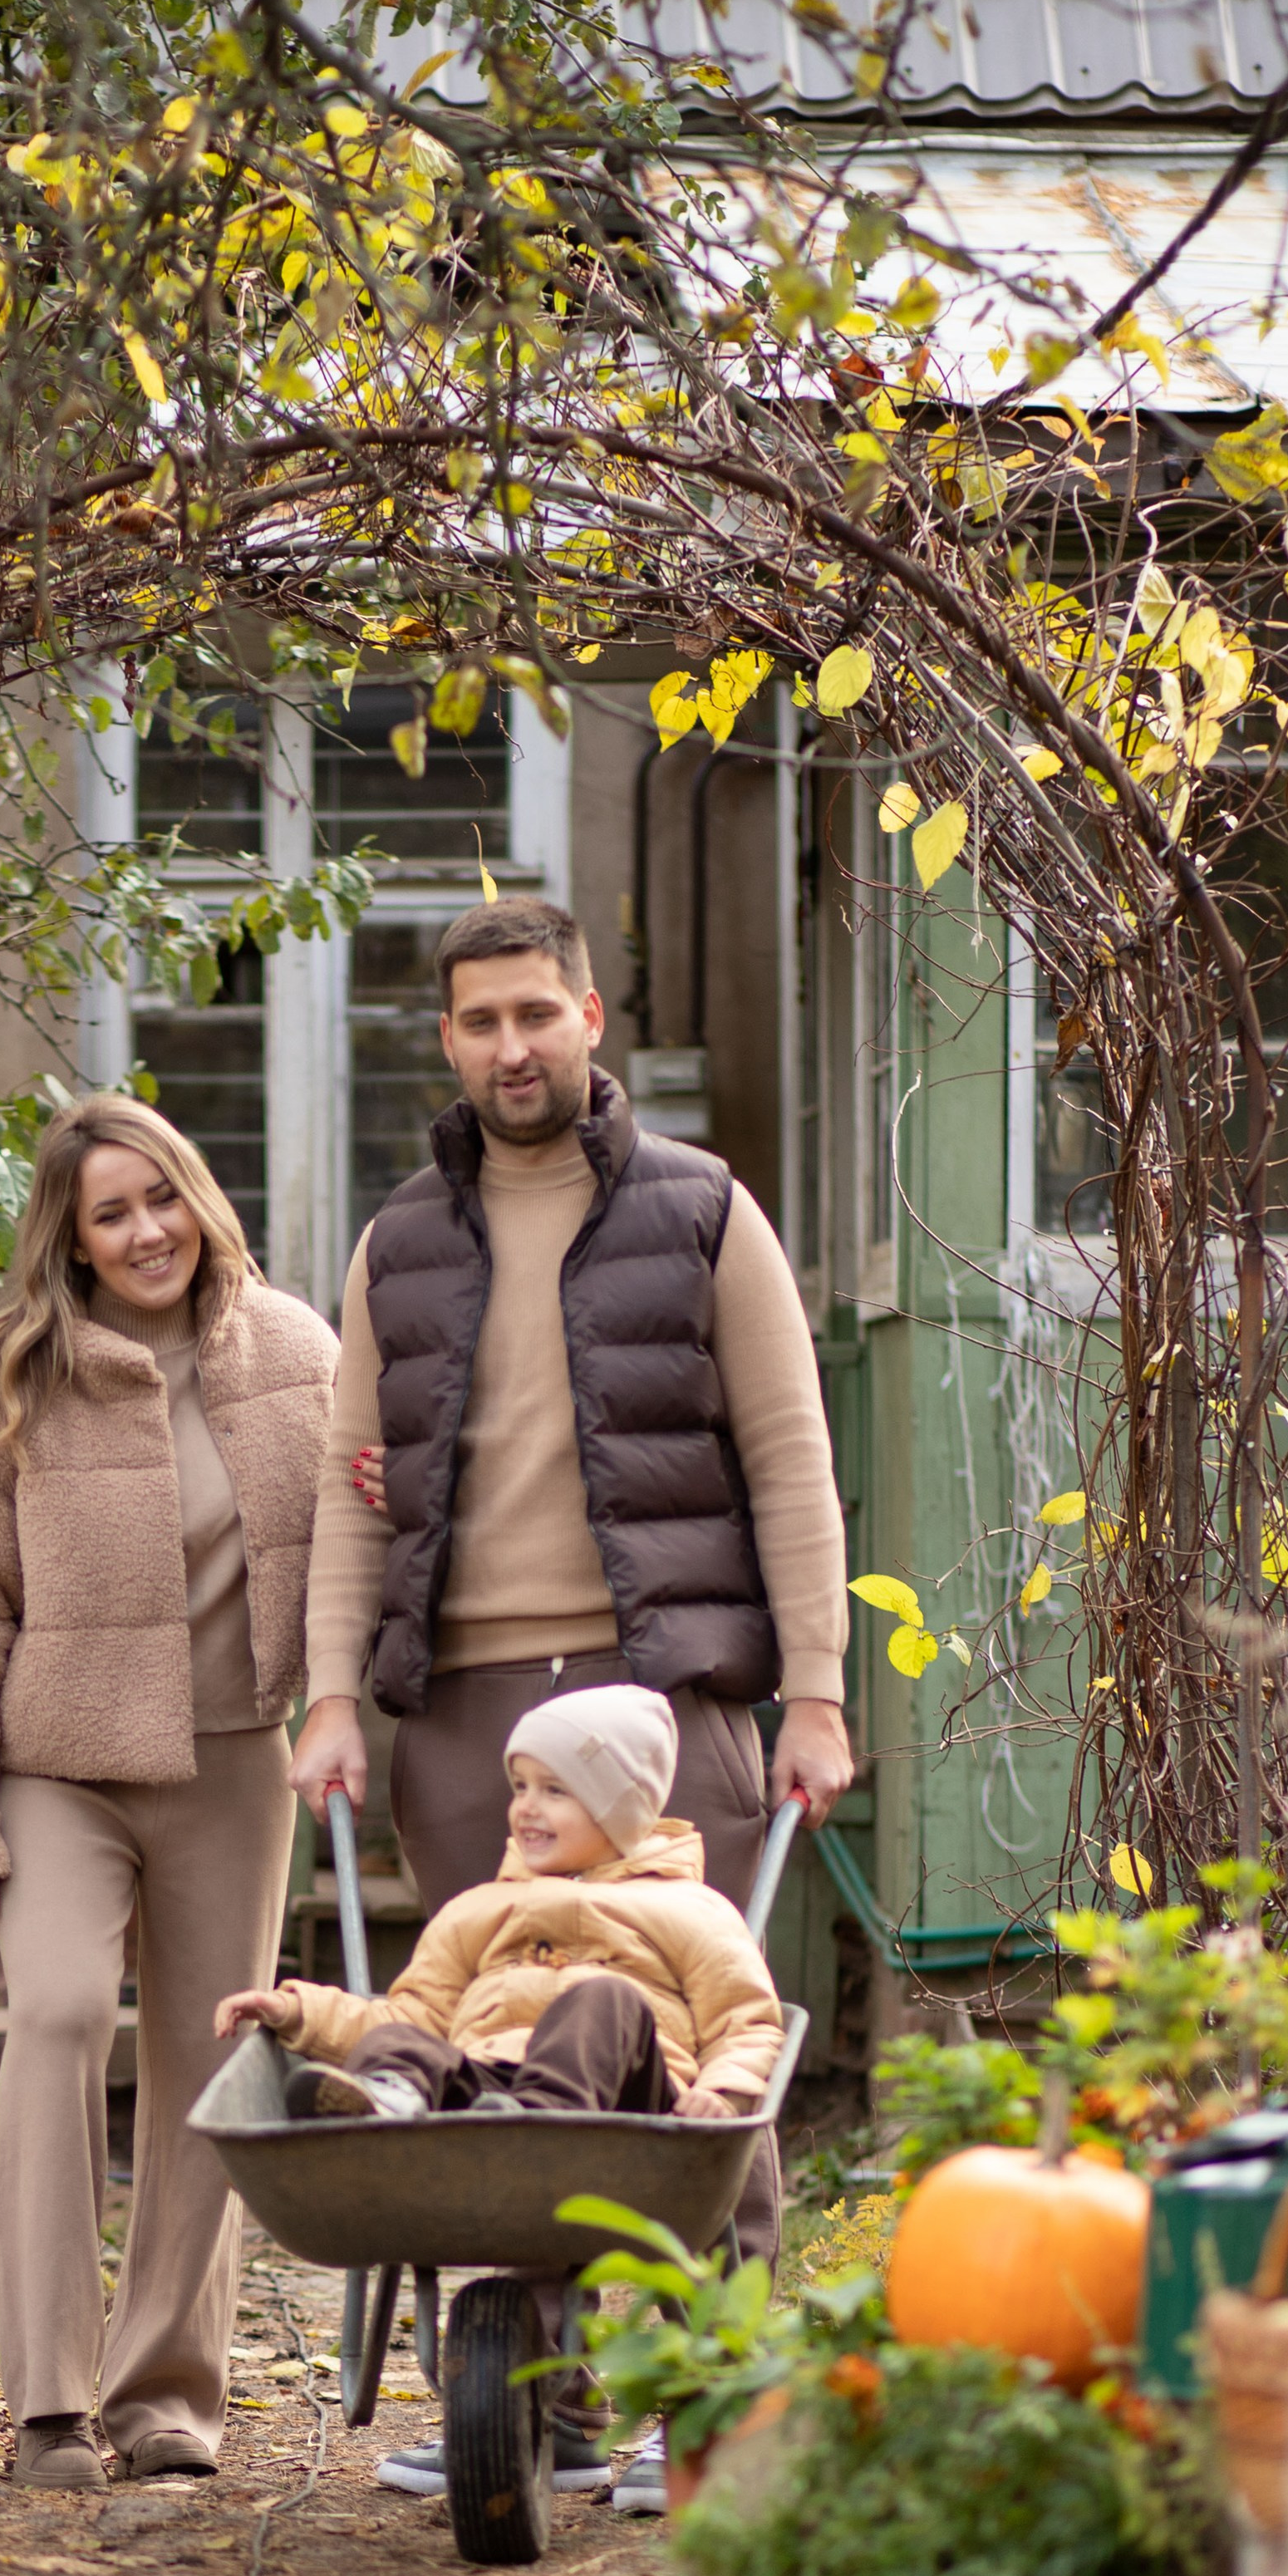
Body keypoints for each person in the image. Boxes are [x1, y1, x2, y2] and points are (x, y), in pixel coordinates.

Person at [291, 893, 850, 2277]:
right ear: (448, 1042)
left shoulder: (703, 1208)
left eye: (536, 1012)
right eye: (480, 1023)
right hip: (466, 1719)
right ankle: (536, 2400)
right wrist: (329, 1701)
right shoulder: (398, 1245)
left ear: (589, 1019)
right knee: (492, 2049)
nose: (511, 1046)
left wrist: (818, 1694)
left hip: (659, 1704)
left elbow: (789, 1462)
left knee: (696, 2047)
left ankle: (715, 2389)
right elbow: (347, 1488)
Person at [0, 1094, 337, 2490]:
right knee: (68, 2015)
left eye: (164, 1198)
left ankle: (165, 2397)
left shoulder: (298, 1354)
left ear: (200, 1198)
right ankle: (45, 2402)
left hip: (231, 1769)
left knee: (212, 2061)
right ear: (72, 1245)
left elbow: (361, 1538)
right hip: (59, 1775)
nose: (148, 1230)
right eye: (112, 1213)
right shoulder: (13, 1382)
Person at [215, 1685, 784, 2126]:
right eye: (520, 1786)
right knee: (399, 2041)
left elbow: (746, 2023)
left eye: (555, 1790)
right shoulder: (478, 1910)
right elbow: (414, 2016)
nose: (527, 1808)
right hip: (485, 2094)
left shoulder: (690, 1910)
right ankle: (392, 2103)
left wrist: (719, 2092)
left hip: (625, 2111)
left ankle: (536, 2124)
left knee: (604, 2001)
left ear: (622, 1811)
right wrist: (295, 2011)